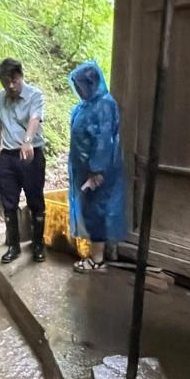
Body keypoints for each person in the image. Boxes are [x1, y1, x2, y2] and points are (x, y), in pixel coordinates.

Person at [66, 61, 126, 273]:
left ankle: (97, 260)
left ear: (91, 84)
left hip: (97, 172)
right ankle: (96, 256)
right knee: (91, 212)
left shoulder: (103, 105)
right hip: (85, 170)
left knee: (97, 213)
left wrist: (96, 172)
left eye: (81, 85)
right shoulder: (87, 105)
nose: (78, 89)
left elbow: (103, 141)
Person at [0, 58, 47, 264]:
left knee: (35, 201)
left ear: (21, 76)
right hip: (8, 156)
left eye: (14, 80)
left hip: (31, 154)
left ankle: (38, 244)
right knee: (8, 203)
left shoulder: (35, 95)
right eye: (6, 82)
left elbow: (34, 118)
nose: (11, 86)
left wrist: (27, 141)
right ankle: (13, 246)